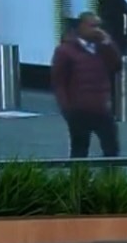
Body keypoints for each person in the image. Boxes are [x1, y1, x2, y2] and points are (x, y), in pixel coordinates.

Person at [50, 11, 122, 157]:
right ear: (81, 27)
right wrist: (66, 108)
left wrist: (108, 43)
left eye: (99, 26)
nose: (97, 30)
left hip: (101, 107)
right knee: (79, 149)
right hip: (78, 109)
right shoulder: (65, 50)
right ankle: (78, 172)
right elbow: (59, 81)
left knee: (111, 146)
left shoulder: (102, 48)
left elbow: (116, 65)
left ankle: (111, 171)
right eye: (92, 26)